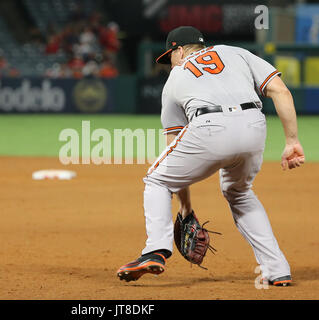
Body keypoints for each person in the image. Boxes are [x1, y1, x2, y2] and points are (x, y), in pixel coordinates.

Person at [117, 26, 305, 286]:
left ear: (179, 50)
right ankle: (277, 269)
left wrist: (185, 207)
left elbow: (173, 142)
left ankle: (155, 251)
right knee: (240, 192)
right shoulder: (237, 53)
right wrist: (292, 141)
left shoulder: (176, 76)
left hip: (208, 126)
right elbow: (280, 91)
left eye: (169, 55)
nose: (169, 62)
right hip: (254, 125)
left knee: (157, 181)